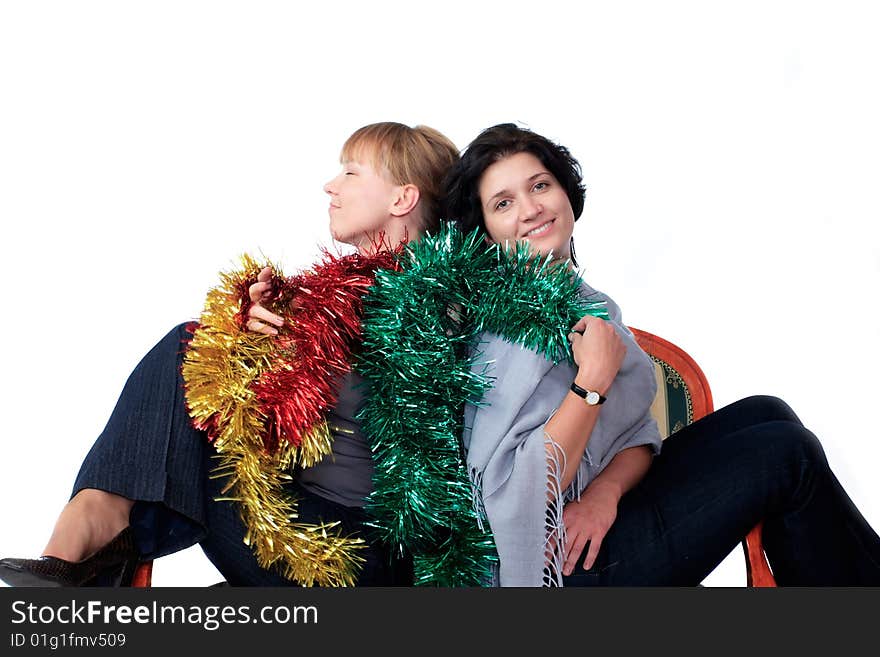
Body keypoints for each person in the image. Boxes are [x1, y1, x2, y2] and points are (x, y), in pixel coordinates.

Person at [0, 121, 460, 587]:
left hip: (356, 554)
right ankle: (97, 532)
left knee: (190, 348)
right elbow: (281, 413)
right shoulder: (339, 296)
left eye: (351, 173)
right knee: (195, 354)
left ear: (402, 199)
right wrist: (254, 328)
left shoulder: (431, 305)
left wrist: (257, 339)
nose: (330, 186)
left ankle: (97, 537)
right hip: (310, 525)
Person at [440, 122, 880, 586]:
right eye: (504, 203)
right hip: (554, 566)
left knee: (769, 412)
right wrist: (590, 383)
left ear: (566, 193)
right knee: (787, 454)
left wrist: (603, 494)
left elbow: (636, 434)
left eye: (540, 186)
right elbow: (515, 498)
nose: (530, 209)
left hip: (595, 518)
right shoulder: (506, 329)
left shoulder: (584, 303)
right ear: (486, 234)